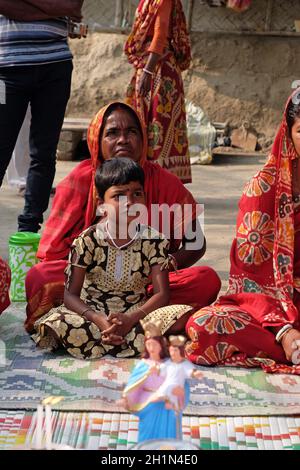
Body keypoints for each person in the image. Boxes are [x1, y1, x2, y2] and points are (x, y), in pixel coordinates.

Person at [25, 101, 221, 332]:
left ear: (143, 139)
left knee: (206, 279)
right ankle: (143, 325)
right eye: (112, 133)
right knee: (40, 276)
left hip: (148, 289)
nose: (123, 140)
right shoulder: (79, 179)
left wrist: (158, 270)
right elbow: (52, 253)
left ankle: (112, 322)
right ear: (97, 139)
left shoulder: (165, 181)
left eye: (131, 132)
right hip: (89, 288)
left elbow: (197, 243)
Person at [185, 89, 300, 375]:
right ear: (289, 135)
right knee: (206, 326)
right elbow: (250, 282)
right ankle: (289, 344)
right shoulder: (263, 191)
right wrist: (283, 329)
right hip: (271, 304)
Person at [32, 158, 193, 359]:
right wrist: (99, 320)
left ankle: (107, 340)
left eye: (137, 194)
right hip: (92, 315)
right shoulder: (87, 240)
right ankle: (126, 340)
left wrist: (130, 319)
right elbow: (70, 296)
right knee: (57, 321)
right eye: (118, 196)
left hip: (136, 315)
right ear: (101, 205)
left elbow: (162, 294)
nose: (130, 202)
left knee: (184, 315)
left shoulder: (154, 240)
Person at [0, 1, 84, 232]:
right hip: (5, 70)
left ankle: (29, 228)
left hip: (55, 69)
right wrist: (52, 7)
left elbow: (72, 6)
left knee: (44, 153)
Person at [124, 0, 192, 183]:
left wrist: (148, 70)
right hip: (150, 66)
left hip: (158, 70)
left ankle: (160, 180)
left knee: (158, 124)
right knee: (142, 123)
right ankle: (145, 176)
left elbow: (160, 35)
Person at [121, 320, 189, 441]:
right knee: (147, 434)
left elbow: (181, 383)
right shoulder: (142, 365)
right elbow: (133, 386)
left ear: (161, 345)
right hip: (148, 404)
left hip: (167, 404)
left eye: (154, 345)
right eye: (149, 345)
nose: (152, 348)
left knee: (168, 434)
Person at [152, 335, 203, 411]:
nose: (173, 353)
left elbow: (190, 371)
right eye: (171, 351)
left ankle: (169, 402)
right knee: (164, 387)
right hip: (167, 383)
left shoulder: (184, 364)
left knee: (170, 389)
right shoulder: (168, 362)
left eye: (175, 350)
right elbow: (162, 369)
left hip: (177, 385)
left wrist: (195, 374)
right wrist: (156, 369)